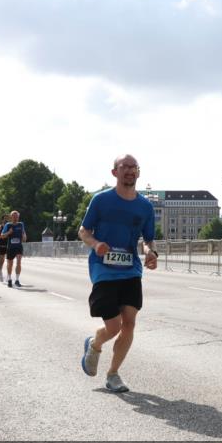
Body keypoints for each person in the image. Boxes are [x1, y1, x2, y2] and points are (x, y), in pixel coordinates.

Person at [78, 154, 157, 393]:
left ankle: (113, 374)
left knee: (130, 324)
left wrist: (150, 252)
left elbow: (148, 238)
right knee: (113, 327)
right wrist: (96, 244)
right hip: (104, 270)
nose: (130, 171)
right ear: (115, 172)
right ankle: (95, 343)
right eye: (125, 167)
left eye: (134, 167)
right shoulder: (101, 200)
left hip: (131, 270)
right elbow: (83, 230)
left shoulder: (145, 206)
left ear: (138, 173)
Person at [1, 210, 27, 287]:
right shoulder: (8, 225)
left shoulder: (21, 224)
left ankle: (17, 280)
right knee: (10, 263)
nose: (15, 217)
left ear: (18, 217)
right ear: (11, 217)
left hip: (19, 246)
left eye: (17, 216)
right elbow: (2, 236)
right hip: (10, 247)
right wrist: (8, 232)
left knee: (19, 262)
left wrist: (24, 236)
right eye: (14, 216)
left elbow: (23, 233)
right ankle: (9, 279)